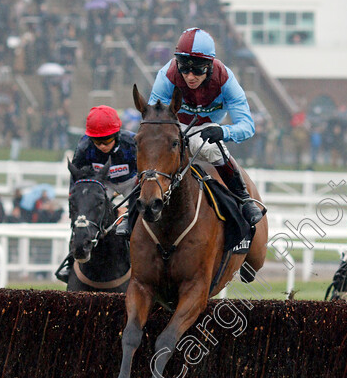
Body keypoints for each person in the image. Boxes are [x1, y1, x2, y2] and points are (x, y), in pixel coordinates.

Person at [148, 27, 264, 227]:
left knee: (210, 146)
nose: (190, 76)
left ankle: (243, 199)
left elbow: (247, 126)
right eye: (184, 68)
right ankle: (130, 210)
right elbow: (153, 117)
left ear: (210, 66)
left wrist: (223, 132)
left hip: (208, 128)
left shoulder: (226, 80)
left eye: (198, 69)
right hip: (174, 124)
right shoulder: (167, 74)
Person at [57, 105, 138, 282]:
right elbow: (76, 180)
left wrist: (129, 208)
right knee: (87, 215)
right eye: (97, 141)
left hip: (131, 182)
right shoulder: (85, 146)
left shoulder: (132, 142)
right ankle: (72, 260)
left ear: (116, 135)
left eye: (107, 140)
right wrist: (77, 207)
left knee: (143, 212)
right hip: (104, 183)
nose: (101, 146)